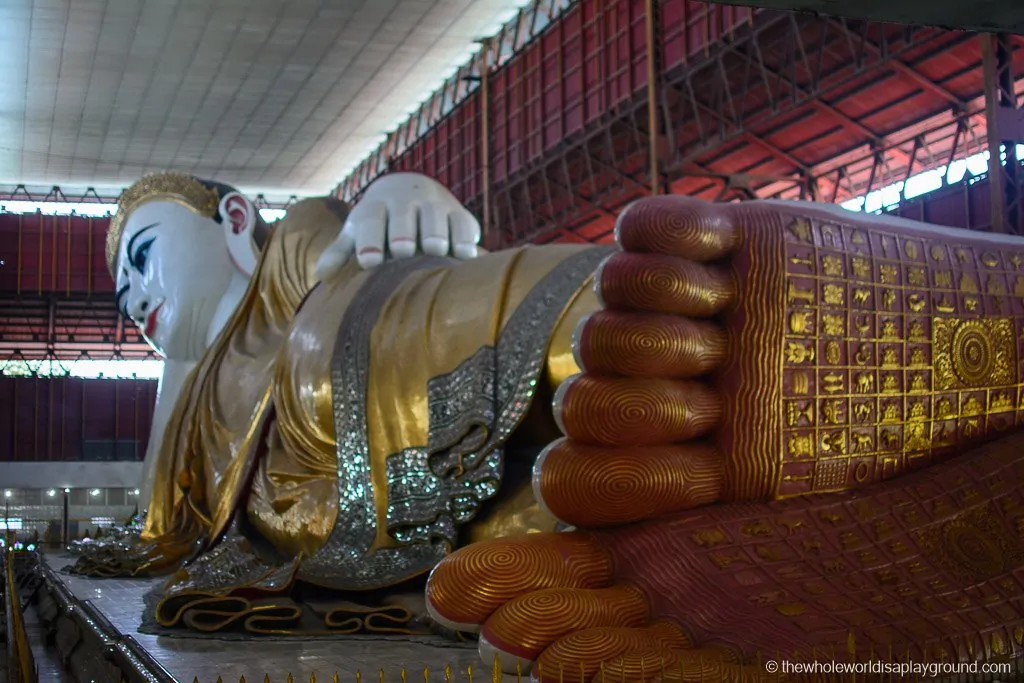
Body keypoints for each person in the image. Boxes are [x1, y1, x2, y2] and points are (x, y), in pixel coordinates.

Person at [77, 170, 1024, 674]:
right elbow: (176, 527)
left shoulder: (284, 256)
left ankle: (750, 329)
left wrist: (395, 192)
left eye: (145, 257)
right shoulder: (186, 421)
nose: (132, 295)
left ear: (235, 217)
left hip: (381, 359)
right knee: (561, 514)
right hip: (389, 513)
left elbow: (336, 244)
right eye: (120, 288)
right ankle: (707, 481)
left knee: (342, 347)